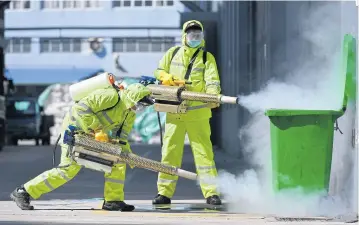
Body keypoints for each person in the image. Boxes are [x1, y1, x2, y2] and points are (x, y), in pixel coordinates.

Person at [10, 82, 154, 211]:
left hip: (93, 134)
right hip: (75, 130)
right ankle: (24, 192)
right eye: (140, 104)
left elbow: (121, 137)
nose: (140, 108)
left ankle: (113, 200)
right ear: (133, 98)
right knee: (68, 169)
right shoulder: (110, 96)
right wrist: (97, 128)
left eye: (143, 106)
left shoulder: (129, 112)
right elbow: (80, 109)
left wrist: (127, 154)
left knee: (118, 162)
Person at [152, 20, 222, 205]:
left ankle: (211, 193)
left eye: (198, 34)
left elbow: (212, 81)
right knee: (169, 153)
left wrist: (213, 96)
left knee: (204, 155)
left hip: (197, 114)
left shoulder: (207, 58)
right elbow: (159, 70)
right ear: (185, 36)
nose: (195, 37)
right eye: (191, 34)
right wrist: (166, 77)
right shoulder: (172, 53)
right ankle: (164, 193)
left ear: (202, 36)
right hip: (174, 112)